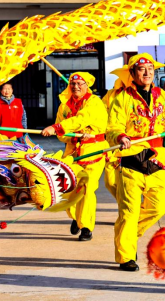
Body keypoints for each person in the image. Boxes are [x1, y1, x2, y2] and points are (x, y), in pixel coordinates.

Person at [107, 53, 165, 272]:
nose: (148, 72)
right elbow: (113, 126)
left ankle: (128, 233)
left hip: (157, 158)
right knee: (129, 211)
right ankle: (125, 256)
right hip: (131, 157)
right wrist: (120, 137)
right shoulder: (122, 98)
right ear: (132, 74)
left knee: (158, 209)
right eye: (142, 69)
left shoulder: (164, 96)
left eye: (151, 68)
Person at [42, 72, 109, 241]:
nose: (76, 86)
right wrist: (72, 135)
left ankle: (86, 226)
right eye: (73, 83)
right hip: (72, 152)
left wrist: (57, 127)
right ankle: (76, 217)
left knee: (87, 188)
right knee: (69, 188)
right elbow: (62, 137)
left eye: (80, 83)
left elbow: (82, 118)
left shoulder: (94, 102)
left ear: (87, 86)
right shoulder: (64, 106)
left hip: (93, 151)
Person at [101, 79, 125, 201]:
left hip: (135, 146)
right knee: (110, 182)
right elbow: (101, 112)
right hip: (113, 143)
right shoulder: (111, 94)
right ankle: (124, 203)